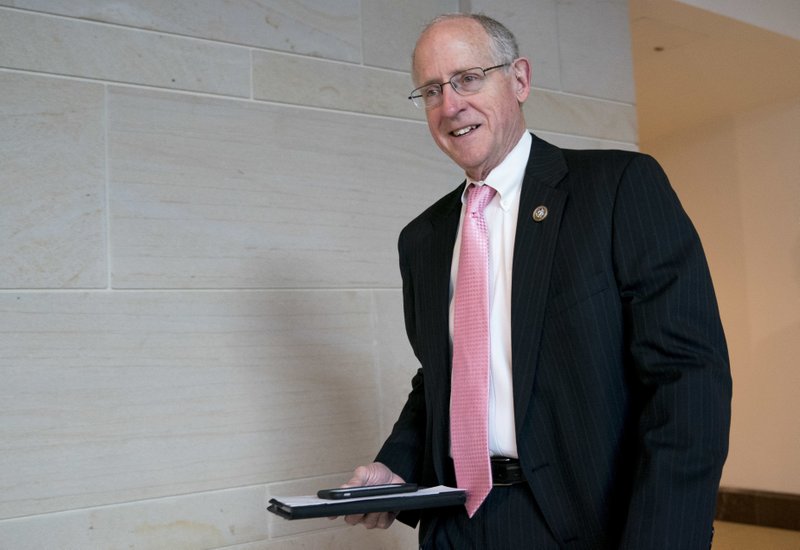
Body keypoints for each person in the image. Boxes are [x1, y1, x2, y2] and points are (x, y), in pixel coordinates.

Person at [343, 13, 732, 549]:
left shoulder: (620, 189)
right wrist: (395, 466)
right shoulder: (422, 239)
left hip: (586, 527)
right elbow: (442, 380)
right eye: (432, 90)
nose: (450, 104)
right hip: (454, 526)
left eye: (468, 78)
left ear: (520, 79)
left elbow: (688, 384)